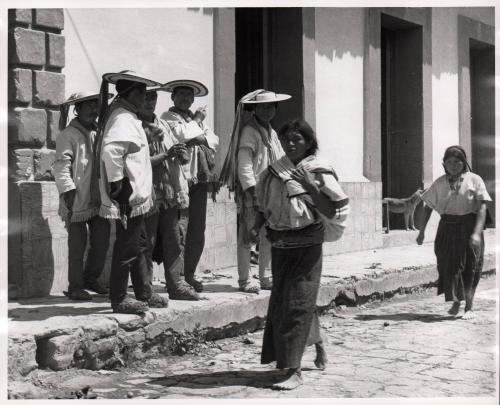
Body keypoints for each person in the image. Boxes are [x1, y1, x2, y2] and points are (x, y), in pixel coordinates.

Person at [252, 119, 348, 390]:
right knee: (287, 303)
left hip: (307, 246)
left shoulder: (318, 170)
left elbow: (331, 210)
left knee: (296, 304)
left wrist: (310, 185)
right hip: (280, 245)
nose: (291, 144)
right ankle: (318, 344)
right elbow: (262, 205)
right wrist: (254, 228)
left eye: (297, 139)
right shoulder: (273, 171)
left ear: (309, 142)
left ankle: (293, 371)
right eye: (286, 140)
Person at [97, 70, 167, 314]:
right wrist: (118, 184)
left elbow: (128, 147)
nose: (146, 98)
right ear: (133, 94)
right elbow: (112, 151)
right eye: (143, 93)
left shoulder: (127, 116)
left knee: (139, 243)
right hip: (128, 192)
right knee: (128, 246)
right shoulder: (122, 117)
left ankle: (144, 293)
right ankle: (119, 298)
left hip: (135, 193)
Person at [220, 90, 290, 293]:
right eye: (263, 107)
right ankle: (245, 280)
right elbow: (244, 165)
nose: (267, 110)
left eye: (271, 106)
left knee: (268, 236)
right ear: (255, 108)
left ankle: (265, 277)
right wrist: (251, 192)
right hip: (254, 191)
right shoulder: (250, 132)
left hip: (271, 191)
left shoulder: (271, 132)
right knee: (248, 237)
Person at [417, 145, 492, 320]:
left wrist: (476, 232)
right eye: (449, 162)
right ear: (444, 163)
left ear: (464, 162)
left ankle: (469, 307)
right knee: (447, 266)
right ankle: (457, 301)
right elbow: (427, 207)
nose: (453, 165)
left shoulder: (474, 179)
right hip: (447, 228)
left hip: (469, 227)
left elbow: (482, 207)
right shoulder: (440, 182)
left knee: (471, 266)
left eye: (457, 162)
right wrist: (421, 232)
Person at [139, 87, 200, 300]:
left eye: (153, 97)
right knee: (148, 242)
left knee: (174, 239)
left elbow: (175, 151)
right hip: (148, 194)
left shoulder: (163, 123)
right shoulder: (135, 126)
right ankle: (145, 288)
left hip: (170, 191)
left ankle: (176, 284)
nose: (150, 102)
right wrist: (167, 155)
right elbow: (139, 162)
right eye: (146, 97)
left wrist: (181, 155)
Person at [53, 91, 113, 301]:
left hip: (99, 197)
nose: (92, 110)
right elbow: (61, 164)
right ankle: (75, 286)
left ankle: (91, 278)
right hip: (77, 197)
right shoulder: (68, 134)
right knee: (77, 245)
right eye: (86, 105)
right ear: (77, 109)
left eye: (95, 105)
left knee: (101, 242)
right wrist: (67, 191)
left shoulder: (100, 132)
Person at [162, 80, 219, 293]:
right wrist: (196, 124)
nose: (185, 98)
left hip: (199, 179)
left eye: (189, 95)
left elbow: (213, 140)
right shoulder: (168, 118)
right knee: (180, 230)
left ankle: (189, 274)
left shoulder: (193, 121)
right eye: (181, 94)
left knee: (197, 229)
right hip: (179, 181)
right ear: (173, 97)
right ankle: (176, 278)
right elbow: (180, 136)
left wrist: (197, 135)